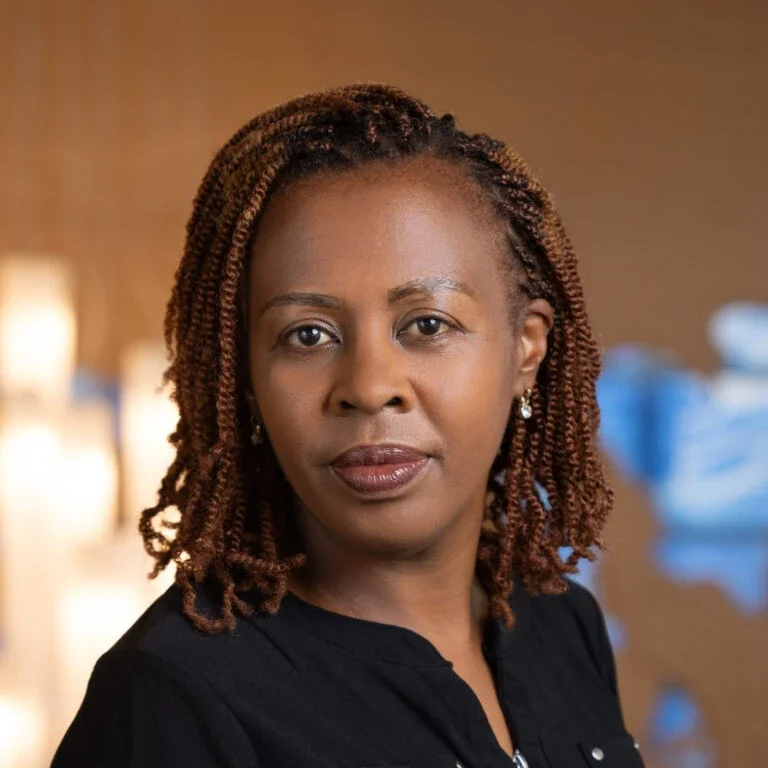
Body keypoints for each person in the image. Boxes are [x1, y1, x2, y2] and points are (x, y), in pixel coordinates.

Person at [52, 83, 644, 767]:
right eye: (307, 334)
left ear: (526, 350)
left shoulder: (562, 625)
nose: (368, 387)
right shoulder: (174, 696)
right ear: (247, 378)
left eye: (427, 325)